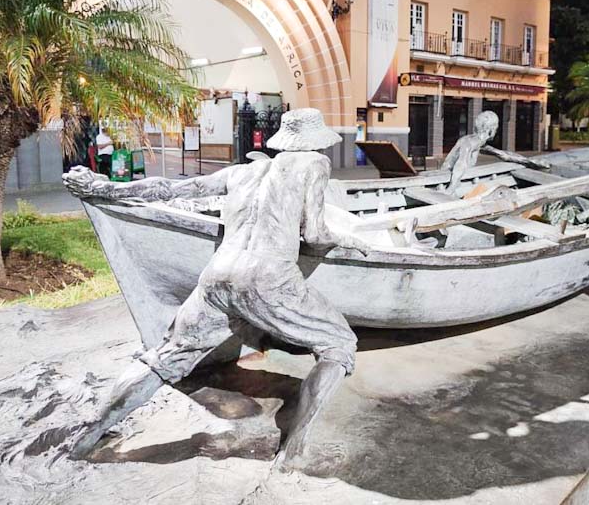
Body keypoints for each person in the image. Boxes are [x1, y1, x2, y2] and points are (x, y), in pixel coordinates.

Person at [63, 108, 369, 468]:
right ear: (316, 142)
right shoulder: (314, 165)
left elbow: (170, 189)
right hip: (271, 278)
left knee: (164, 359)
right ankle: (293, 451)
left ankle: (89, 435)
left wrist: (102, 187)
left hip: (217, 276)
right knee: (339, 345)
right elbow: (314, 235)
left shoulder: (244, 171)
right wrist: (344, 241)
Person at [441, 110, 551, 195]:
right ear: (491, 129)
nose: (496, 130)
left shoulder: (478, 142)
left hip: (450, 177)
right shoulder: (470, 142)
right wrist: (451, 189)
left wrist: (531, 162)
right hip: (446, 177)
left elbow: (504, 155)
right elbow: (461, 163)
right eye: (496, 127)